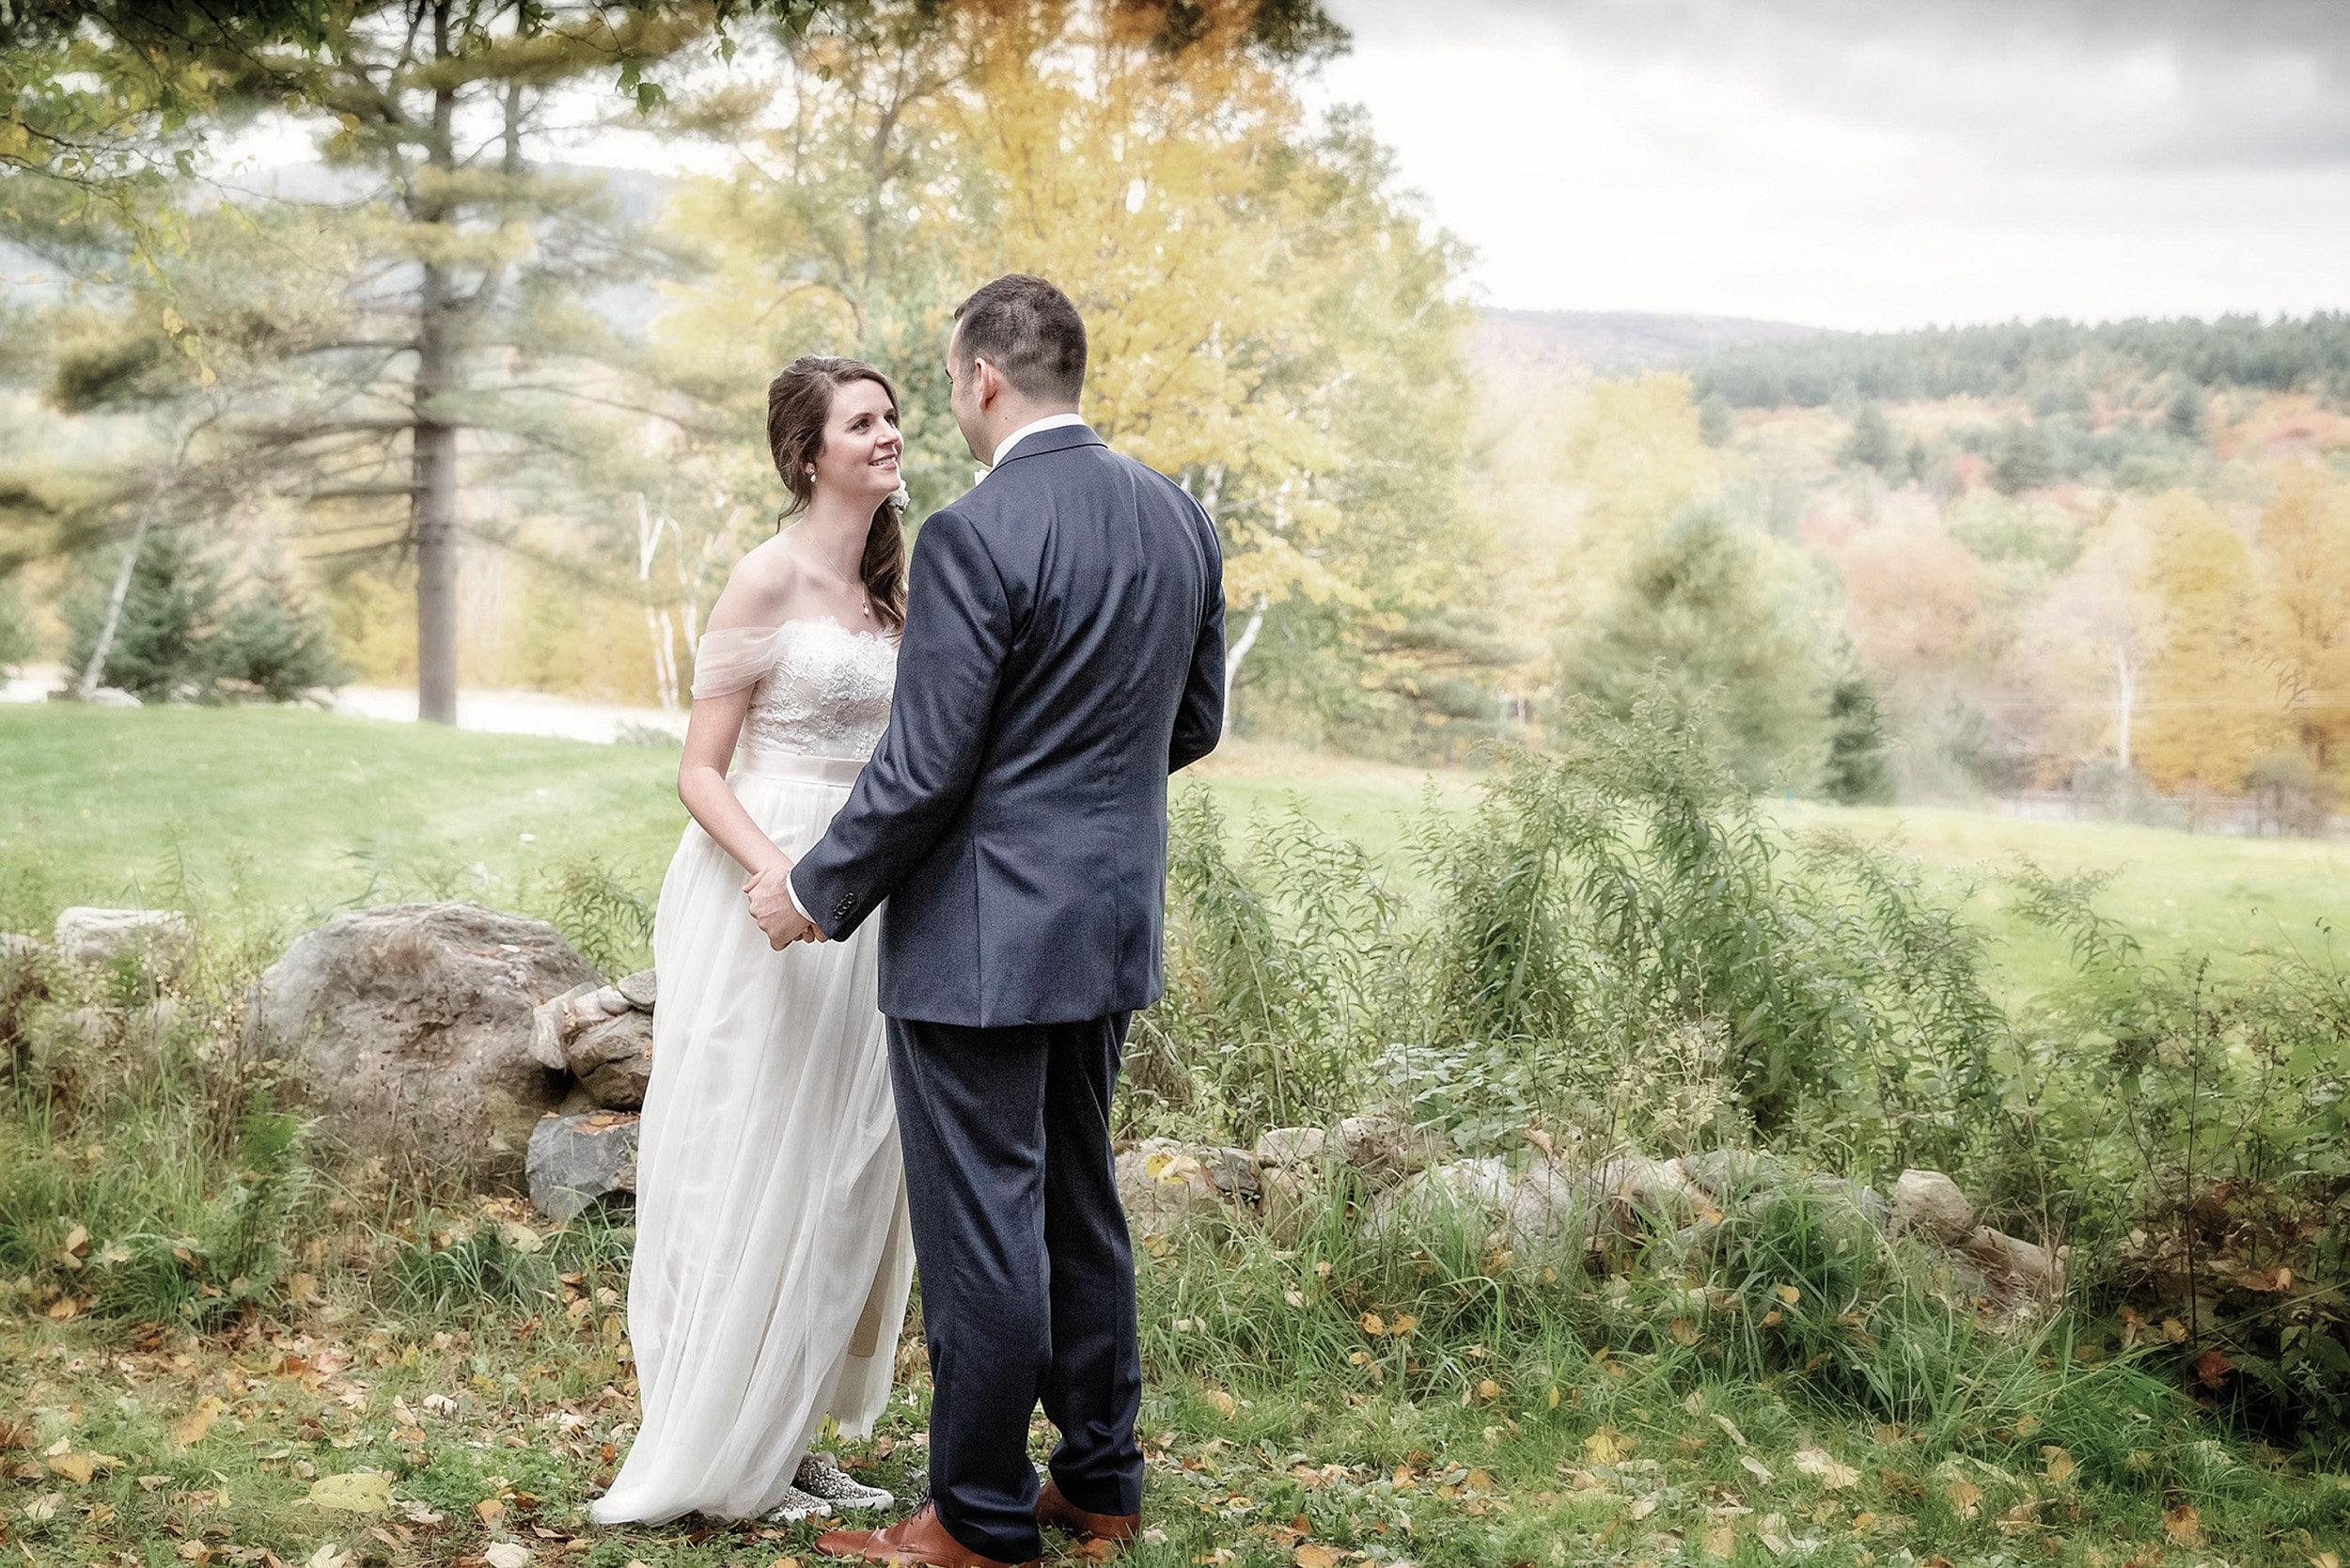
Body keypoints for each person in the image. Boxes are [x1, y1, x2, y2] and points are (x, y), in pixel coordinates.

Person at [757, 274, 1225, 1568]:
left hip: (980, 941)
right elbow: (1193, 723)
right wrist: (1077, 800)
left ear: (981, 379)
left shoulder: (973, 534)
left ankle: (973, 1516)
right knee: (1080, 1203)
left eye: (949, 386)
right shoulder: (1179, 515)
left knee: (984, 1230)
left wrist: (811, 890)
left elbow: (924, 770)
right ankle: (1101, 1479)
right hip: (1107, 926)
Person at [588, 356, 918, 1528]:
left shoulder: (895, 588)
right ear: (806, 456)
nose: (888, 434)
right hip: (763, 887)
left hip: (866, 894)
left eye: (892, 416)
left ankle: (789, 1428)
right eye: (862, 422)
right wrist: (780, 873)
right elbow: (699, 769)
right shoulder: (764, 576)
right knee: (749, 1148)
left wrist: (856, 877)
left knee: (838, 1165)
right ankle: (720, 1440)